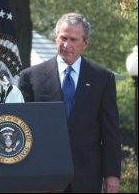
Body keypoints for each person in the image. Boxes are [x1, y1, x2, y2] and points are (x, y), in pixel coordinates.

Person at [18, 13, 121, 193]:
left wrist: (112, 173)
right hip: (44, 173)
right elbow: (23, 128)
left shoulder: (102, 78)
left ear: (85, 43)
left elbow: (110, 130)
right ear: (55, 37)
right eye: (63, 38)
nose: (66, 45)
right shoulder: (30, 77)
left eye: (73, 39)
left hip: (86, 174)